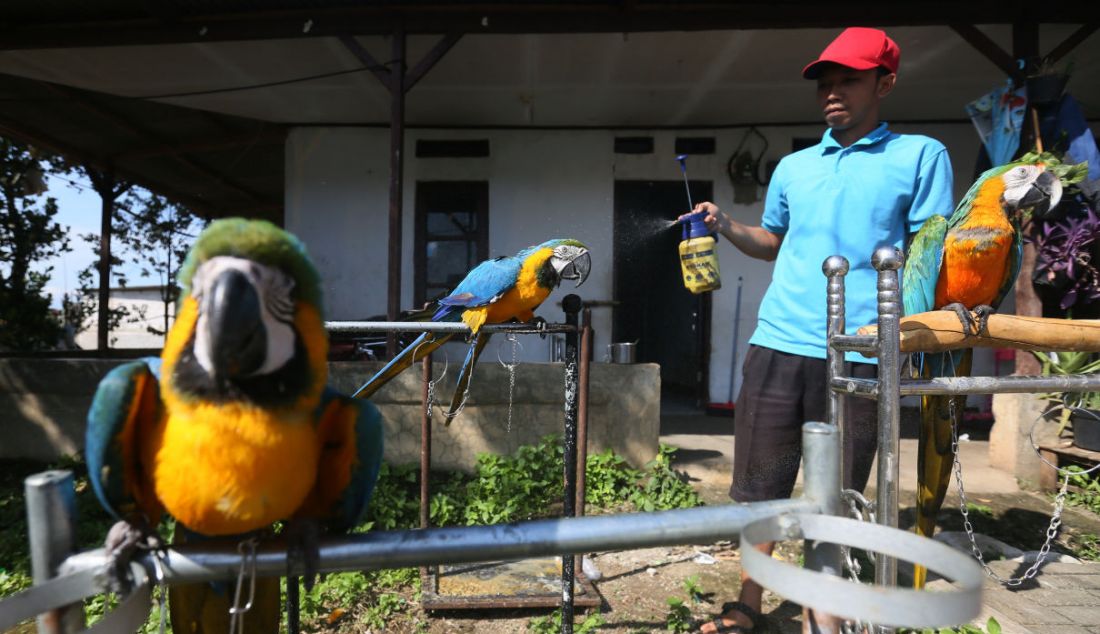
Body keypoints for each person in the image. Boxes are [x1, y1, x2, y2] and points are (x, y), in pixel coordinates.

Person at [691, 27, 954, 633]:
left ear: (885, 83)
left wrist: (906, 337)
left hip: (861, 349)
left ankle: (822, 613)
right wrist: (728, 224)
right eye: (825, 84)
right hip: (780, 341)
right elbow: (774, 242)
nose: (832, 93)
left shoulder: (919, 155)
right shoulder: (793, 166)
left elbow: (927, 253)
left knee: (833, 495)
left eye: (849, 81)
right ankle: (748, 602)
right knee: (761, 488)